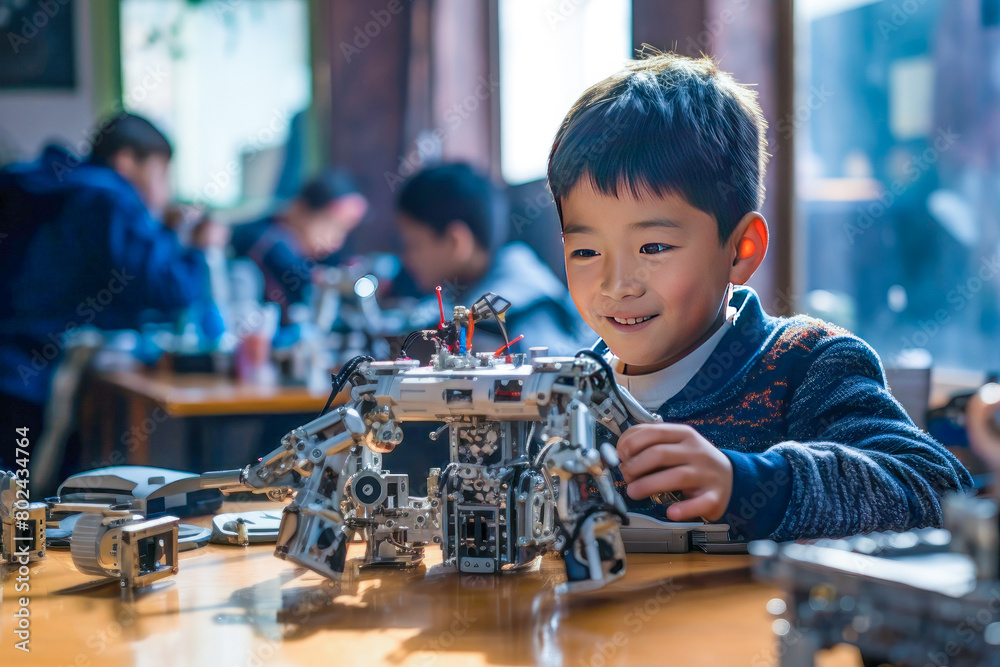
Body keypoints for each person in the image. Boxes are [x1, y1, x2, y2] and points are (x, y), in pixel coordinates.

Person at [546, 51, 972, 542]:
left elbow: (938, 491)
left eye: (654, 247)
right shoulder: (565, 393)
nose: (616, 283)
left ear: (741, 249)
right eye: (584, 251)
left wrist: (747, 483)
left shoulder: (806, 365)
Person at [0, 112, 222, 476]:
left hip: (14, 367)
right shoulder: (108, 197)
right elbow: (170, 288)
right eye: (161, 173)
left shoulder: (44, 186)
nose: (163, 189)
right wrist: (201, 248)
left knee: (11, 496)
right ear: (127, 160)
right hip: (29, 376)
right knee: (22, 504)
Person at [396, 163, 590, 355]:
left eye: (413, 245)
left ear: (456, 242)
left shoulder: (522, 304)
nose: (406, 259)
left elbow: (555, 371)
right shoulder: (467, 289)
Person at [230, 168, 368, 320]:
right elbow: (299, 273)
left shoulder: (313, 253)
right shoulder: (264, 242)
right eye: (331, 225)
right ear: (300, 208)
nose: (337, 241)